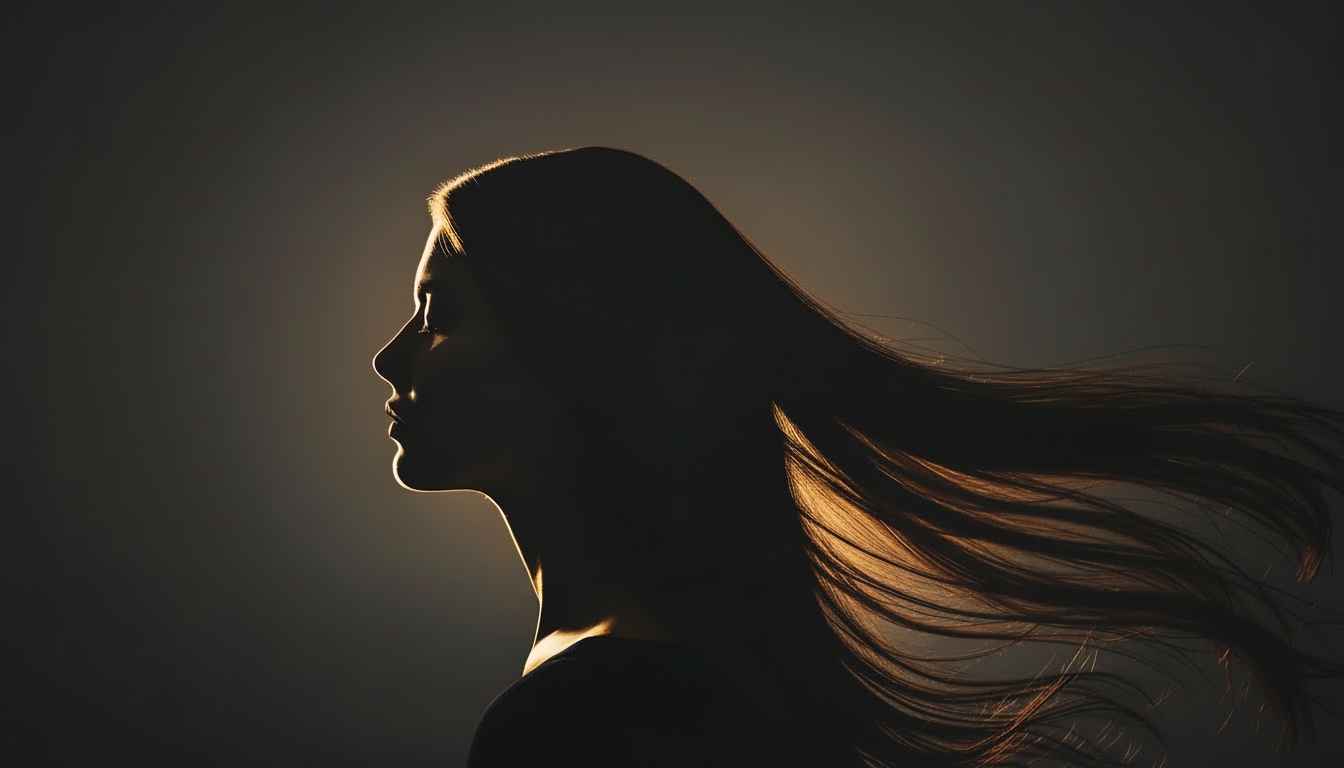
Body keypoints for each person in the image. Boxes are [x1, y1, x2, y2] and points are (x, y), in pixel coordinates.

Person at [372, 147, 1342, 767]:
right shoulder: (648, 687)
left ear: (579, 347)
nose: (390, 357)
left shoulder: (603, 717)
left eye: (440, 314)